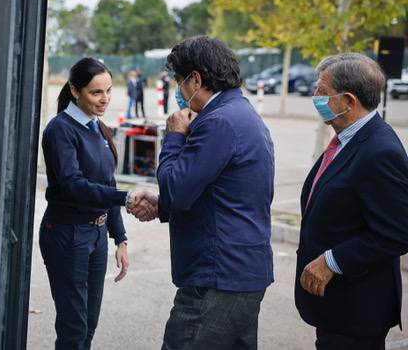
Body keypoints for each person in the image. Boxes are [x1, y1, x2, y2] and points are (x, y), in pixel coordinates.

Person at [127, 35, 275, 349]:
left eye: (179, 82)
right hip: (240, 273)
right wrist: (161, 204)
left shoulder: (217, 121)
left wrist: (174, 137)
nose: (179, 92)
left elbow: (177, 192)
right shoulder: (242, 113)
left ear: (196, 79)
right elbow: (214, 191)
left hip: (217, 277)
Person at [295, 52, 408, 349]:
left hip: (357, 310)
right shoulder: (347, 137)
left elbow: (397, 233)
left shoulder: (380, 151)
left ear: (348, 101)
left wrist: (332, 261)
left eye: (322, 91)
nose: (315, 95)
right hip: (337, 306)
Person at [40, 57, 146, 349]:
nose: (105, 99)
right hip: (67, 234)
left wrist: (120, 238)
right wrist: (125, 198)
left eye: (109, 90)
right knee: (74, 328)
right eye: (96, 92)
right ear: (75, 91)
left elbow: (106, 184)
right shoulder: (60, 129)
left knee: (89, 322)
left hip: (96, 234)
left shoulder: (97, 126)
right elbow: (74, 186)